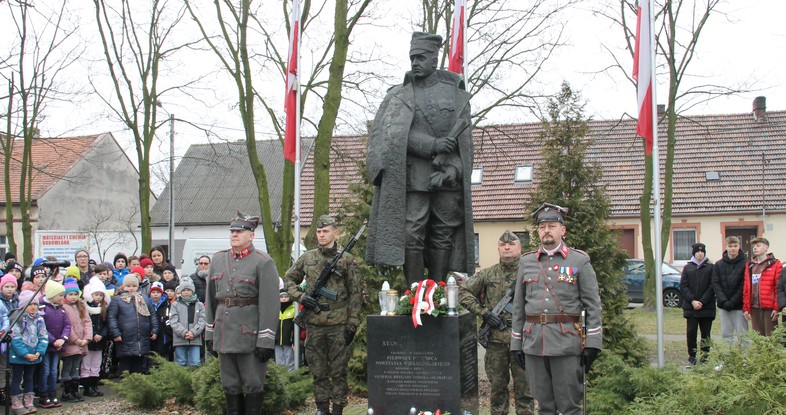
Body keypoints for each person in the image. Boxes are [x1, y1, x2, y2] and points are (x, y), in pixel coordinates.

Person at [366, 31, 474, 284]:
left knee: (443, 233)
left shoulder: (454, 93)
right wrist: (433, 144)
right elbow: (393, 134)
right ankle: (414, 292)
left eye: (421, 57)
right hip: (413, 178)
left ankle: (435, 291)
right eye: (412, 58)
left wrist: (454, 171)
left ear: (434, 60)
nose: (415, 62)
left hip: (446, 178)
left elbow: (466, 147)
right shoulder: (399, 95)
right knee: (411, 233)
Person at [510, 203, 602, 415]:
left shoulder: (579, 260)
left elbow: (593, 305)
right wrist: (516, 344)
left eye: (552, 226)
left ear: (563, 230)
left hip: (566, 344)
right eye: (542, 227)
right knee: (544, 406)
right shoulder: (526, 262)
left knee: (570, 407)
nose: (546, 231)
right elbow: (518, 307)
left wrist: (593, 343)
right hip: (534, 343)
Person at [284, 215, 363, 415]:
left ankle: (337, 409)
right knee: (318, 371)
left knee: (338, 372)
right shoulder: (307, 258)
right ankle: (321, 408)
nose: (321, 235)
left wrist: (352, 323)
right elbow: (289, 279)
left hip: (339, 324)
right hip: (314, 324)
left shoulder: (346, 260)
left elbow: (355, 294)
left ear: (335, 233)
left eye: (325, 231)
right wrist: (301, 297)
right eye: (319, 232)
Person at [205, 211, 279, 415]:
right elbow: (210, 301)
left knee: (253, 383)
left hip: (249, 335)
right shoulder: (219, 259)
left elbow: (270, 304)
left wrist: (266, 339)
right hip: (224, 333)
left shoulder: (263, 262)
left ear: (251, 235)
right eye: (232, 231)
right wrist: (210, 333)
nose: (234, 235)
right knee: (229, 384)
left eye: (239, 231)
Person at [459, 230, 534, 415]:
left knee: (525, 392)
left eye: (511, 244)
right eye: (502, 245)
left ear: (520, 248)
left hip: (523, 340)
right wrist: (483, 313)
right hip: (495, 343)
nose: (506, 247)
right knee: (497, 391)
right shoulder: (487, 273)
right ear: (499, 249)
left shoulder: (531, 274)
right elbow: (463, 292)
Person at [108, 275, 159, 375]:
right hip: (125, 337)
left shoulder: (143, 298)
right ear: (123, 287)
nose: (131, 288)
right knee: (125, 365)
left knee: (139, 365)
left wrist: (155, 329)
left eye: (134, 286)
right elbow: (112, 318)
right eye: (128, 286)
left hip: (142, 337)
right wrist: (116, 333)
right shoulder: (117, 300)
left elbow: (152, 314)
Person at [9, 290, 48, 415]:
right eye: (30, 304)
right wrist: (25, 354)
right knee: (17, 378)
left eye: (35, 304)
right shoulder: (17, 319)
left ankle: (28, 402)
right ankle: (16, 403)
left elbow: (43, 337)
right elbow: (15, 338)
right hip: (20, 356)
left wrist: (39, 352)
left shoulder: (40, 319)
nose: (33, 307)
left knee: (29, 378)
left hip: (34, 354)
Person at [680, 243, 715, 366]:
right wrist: (693, 301)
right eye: (697, 252)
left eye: (702, 252)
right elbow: (683, 286)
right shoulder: (688, 268)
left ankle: (705, 356)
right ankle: (692, 356)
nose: (700, 254)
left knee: (706, 333)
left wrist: (703, 301)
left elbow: (712, 286)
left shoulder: (711, 267)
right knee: (691, 332)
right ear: (694, 253)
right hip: (691, 307)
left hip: (707, 307)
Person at [37, 280, 69, 409]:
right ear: (52, 295)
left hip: (58, 346)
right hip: (47, 346)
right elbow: (42, 327)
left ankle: (53, 392)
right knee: (45, 371)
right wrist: (52, 340)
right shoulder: (42, 308)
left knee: (54, 372)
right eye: (60, 295)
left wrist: (62, 339)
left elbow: (67, 325)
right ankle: (43, 395)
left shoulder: (61, 310)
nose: (63, 298)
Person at [711, 236, 748, 345]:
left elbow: (744, 284)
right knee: (726, 335)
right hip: (724, 305)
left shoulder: (746, 263)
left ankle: (744, 360)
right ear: (726, 247)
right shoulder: (719, 264)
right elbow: (715, 283)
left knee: (743, 335)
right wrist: (724, 300)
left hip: (739, 305)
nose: (733, 248)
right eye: (730, 246)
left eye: (735, 246)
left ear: (739, 247)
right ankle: (728, 360)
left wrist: (733, 301)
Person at [60, 278, 92, 402]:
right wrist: (75, 339)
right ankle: (66, 392)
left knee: (77, 367)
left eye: (75, 294)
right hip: (71, 343)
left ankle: (75, 390)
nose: (73, 297)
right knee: (68, 366)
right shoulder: (63, 307)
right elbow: (66, 325)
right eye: (70, 294)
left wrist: (87, 338)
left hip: (82, 342)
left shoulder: (81, 305)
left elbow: (87, 321)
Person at [743, 237, 782, 336]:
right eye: (754, 246)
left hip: (769, 308)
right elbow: (746, 288)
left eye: (758, 246)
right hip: (754, 307)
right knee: (758, 339)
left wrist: (777, 307)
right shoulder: (750, 266)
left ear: (766, 248)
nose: (755, 248)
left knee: (770, 338)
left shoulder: (776, 264)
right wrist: (746, 308)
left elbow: (779, 287)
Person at [81, 277, 110, 397]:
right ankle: (87, 387)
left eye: (100, 295)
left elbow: (106, 324)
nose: (98, 297)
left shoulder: (104, 309)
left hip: (100, 341)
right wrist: (91, 335)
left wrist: (101, 335)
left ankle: (94, 385)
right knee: (86, 363)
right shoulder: (84, 307)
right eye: (96, 294)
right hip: (89, 340)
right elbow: (84, 324)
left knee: (96, 363)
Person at [169, 278, 205, 367]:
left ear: (192, 291)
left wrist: (193, 332)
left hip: (195, 339)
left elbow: (202, 320)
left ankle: (195, 381)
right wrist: (184, 332)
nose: (186, 292)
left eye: (188, 290)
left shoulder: (199, 305)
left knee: (196, 363)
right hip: (180, 339)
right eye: (184, 290)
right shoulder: (175, 305)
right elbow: (173, 321)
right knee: (181, 363)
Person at [148, 282, 173, 361]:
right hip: (150, 335)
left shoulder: (168, 305)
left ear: (162, 293)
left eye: (158, 292)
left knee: (164, 357)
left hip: (164, 336)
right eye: (153, 292)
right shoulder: (146, 304)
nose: (155, 294)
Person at [275, 288, 296, 372]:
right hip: (277, 341)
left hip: (289, 341)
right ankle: (281, 381)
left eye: (286, 296)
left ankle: (290, 380)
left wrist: (294, 340)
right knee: (279, 363)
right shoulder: (275, 310)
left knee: (290, 362)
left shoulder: (294, 309)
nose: (283, 298)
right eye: (281, 297)